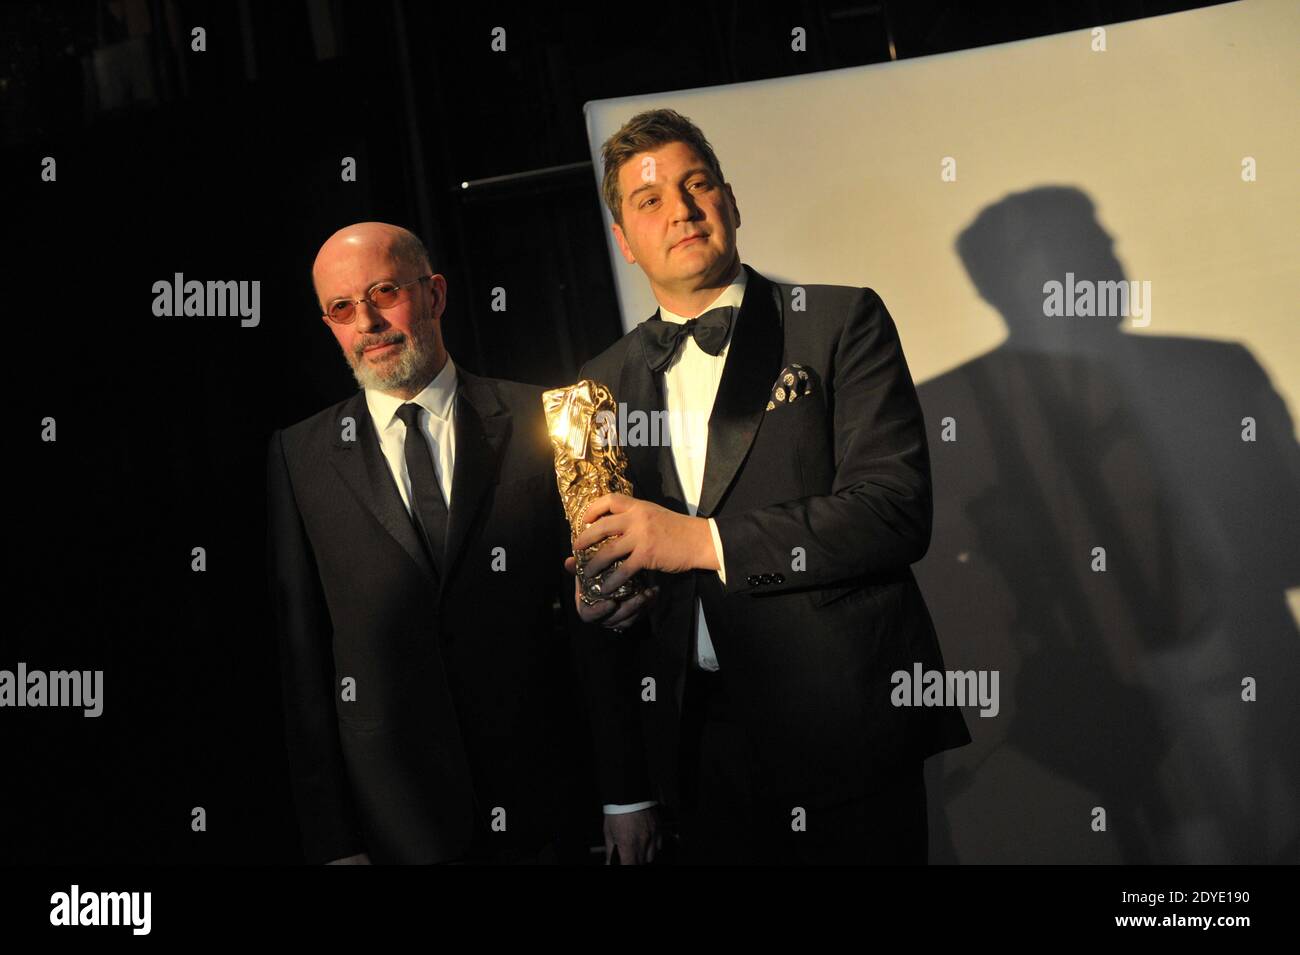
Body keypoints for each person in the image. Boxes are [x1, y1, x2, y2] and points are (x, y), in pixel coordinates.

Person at [572, 110, 972, 863]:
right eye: (649, 199)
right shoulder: (600, 384)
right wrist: (605, 600)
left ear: (730, 199)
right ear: (623, 240)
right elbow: (609, 600)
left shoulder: (837, 320)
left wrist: (696, 541)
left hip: (843, 729)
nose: (681, 209)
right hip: (698, 750)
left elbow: (893, 511)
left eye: (696, 184)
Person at [266, 222, 656, 864]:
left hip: (551, 796)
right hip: (398, 819)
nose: (367, 321)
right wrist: (334, 842)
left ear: (436, 293)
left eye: (384, 291)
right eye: (342, 307)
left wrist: (626, 794)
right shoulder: (298, 456)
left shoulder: (549, 419)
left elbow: (604, 620)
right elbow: (302, 662)